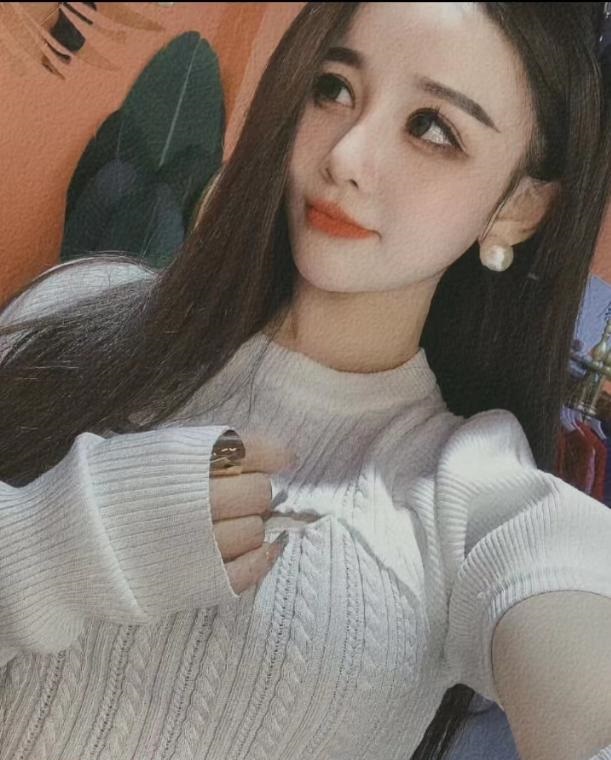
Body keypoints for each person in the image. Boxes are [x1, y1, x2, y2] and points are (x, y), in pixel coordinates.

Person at [1, 3, 611, 759]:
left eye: (431, 128)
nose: (346, 155)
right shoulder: (71, 316)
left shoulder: (471, 495)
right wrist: (58, 544)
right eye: (334, 88)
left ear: (518, 208)